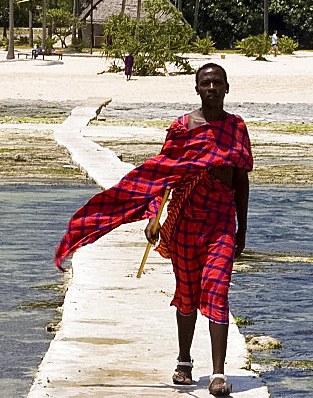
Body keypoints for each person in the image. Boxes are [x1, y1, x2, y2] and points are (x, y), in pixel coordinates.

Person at [56, 63, 252, 396]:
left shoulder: (236, 127)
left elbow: (241, 180)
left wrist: (242, 229)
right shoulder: (182, 128)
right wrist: (153, 217)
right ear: (197, 89)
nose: (212, 88)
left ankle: (218, 373)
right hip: (186, 222)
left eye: (218, 83)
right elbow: (163, 175)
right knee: (188, 295)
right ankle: (185, 361)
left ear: (227, 88)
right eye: (206, 83)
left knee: (217, 291)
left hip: (221, 221)